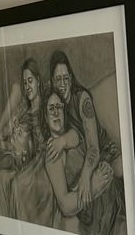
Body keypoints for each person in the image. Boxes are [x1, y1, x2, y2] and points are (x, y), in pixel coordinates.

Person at [42, 88, 127, 235]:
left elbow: (91, 148)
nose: (56, 112)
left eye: (59, 107)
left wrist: (104, 166)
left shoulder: (74, 134)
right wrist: (95, 185)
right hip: (95, 216)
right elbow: (66, 205)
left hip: (115, 197)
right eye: (51, 108)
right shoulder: (52, 157)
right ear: (45, 117)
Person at [49, 50, 122, 212]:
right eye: (58, 79)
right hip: (80, 160)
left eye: (65, 78)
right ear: (53, 82)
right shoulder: (55, 104)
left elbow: (94, 147)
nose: (62, 84)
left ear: (70, 78)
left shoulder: (82, 99)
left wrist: (85, 176)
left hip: (102, 154)